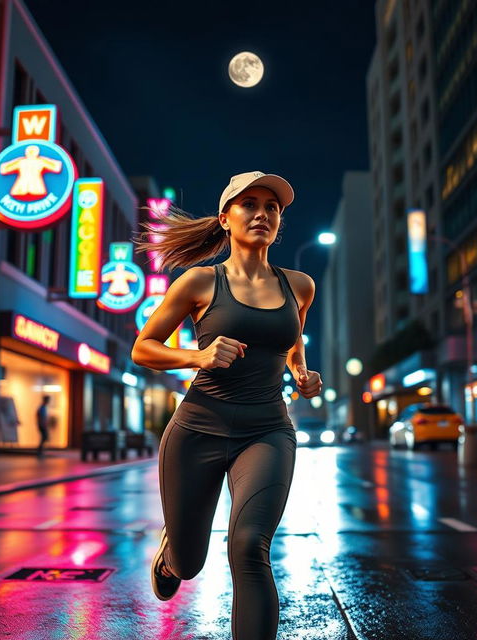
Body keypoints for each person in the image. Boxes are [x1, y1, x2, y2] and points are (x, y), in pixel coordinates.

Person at [131, 171, 322, 640]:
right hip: (198, 427)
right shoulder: (198, 282)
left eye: (272, 207)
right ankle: (172, 554)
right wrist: (197, 355)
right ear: (225, 218)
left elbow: (291, 341)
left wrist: (301, 372)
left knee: (249, 545)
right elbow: (144, 347)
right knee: (190, 562)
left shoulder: (299, 285)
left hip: (267, 430)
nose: (262, 213)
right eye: (249, 204)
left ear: (279, 223)